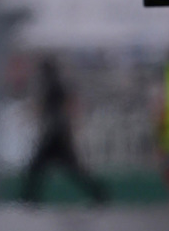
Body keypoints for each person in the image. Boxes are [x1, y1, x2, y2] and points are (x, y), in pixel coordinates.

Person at [20, 56, 107, 205]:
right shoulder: (57, 83)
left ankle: (29, 198)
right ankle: (99, 193)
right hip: (59, 133)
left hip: (54, 134)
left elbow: (64, 105)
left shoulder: (52, 84)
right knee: (69, 169)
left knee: (39, 168)